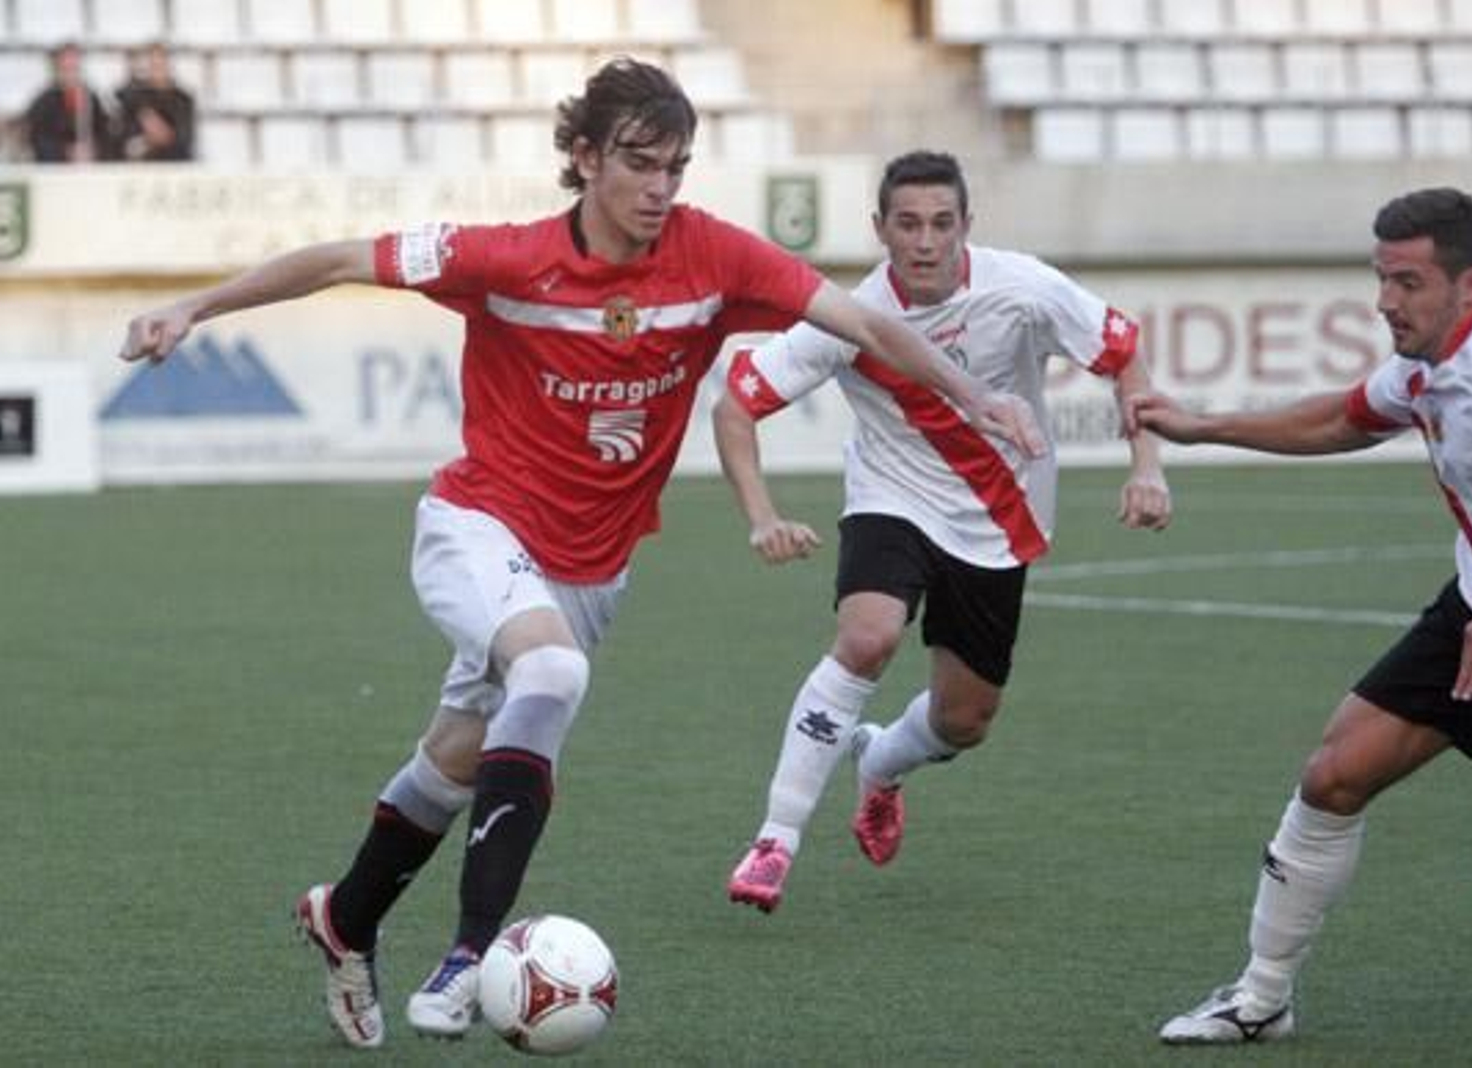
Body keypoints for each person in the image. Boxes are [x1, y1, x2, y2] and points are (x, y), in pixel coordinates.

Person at [119, 60, 1040, 1050]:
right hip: (477, 526)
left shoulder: (712, 258)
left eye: (676, 168)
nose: (659, 189)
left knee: (457, 759)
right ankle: (471, 958)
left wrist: (970, 391)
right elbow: (342, 258)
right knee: (549, 672)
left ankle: (345, 918)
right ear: (585, 157)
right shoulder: (505, 260)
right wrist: (197, 307)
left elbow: (859, 320)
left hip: (592, 571)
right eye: (639, 164)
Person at [1129, 187, 1472, 1044]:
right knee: (1335, 774)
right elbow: (1345, 419)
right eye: (1382, 278)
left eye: (1409, 281)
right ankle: (1260, 999)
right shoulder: (1425, 362)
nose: (1387, 300)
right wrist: (1205, 428)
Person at [719, 150, 1171, 914]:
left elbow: (1124, 355)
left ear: (967, 226)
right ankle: (775, 839)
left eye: (941, 224)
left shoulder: (1022, 289)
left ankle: (882, 766)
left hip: (1001, 518)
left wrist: (1148, 466)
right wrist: (761, 517)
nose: (925, 242)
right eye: (907, 225)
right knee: (867, 637)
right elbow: (734, 407)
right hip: (890, 498)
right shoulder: (848, 315)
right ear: (879, 230)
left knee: (965, 720)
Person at [24, 42, 119, 163]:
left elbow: (105, 133)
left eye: (74, 68)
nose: (70, 75)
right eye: (65, 69)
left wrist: (94, 149)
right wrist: (67, 152)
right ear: (56, 69)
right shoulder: (43, 102)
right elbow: (38, 140)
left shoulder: (90, 98)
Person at [115, 42, 196, 162]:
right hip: (143, 167)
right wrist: (145, 115)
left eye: (161, 63)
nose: (157, 68)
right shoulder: (136, 97)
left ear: (168, 65)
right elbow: (127, 141)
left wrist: (162, 134)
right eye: (153, 64)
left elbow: (184, 140)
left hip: (174, 165)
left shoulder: (183, 99)